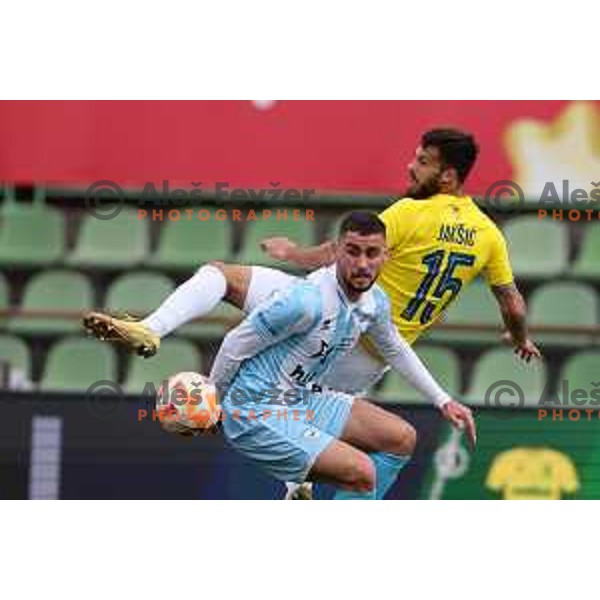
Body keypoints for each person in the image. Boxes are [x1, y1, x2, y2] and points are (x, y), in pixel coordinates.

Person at [207, 212, 475, 499]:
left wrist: (443, 400)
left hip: (299, 399)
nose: (362, 263)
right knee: (362, 472)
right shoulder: (304, 299)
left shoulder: (374, 302)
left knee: (400, 438)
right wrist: (213, 401)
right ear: (336, 252)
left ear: (385, 256)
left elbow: (394, 347)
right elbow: (235, 343)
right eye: (353, 251)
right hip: (255, 408)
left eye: (372, 253)